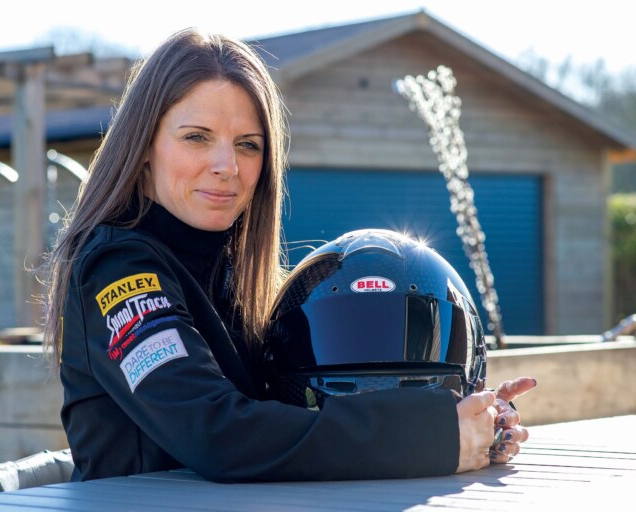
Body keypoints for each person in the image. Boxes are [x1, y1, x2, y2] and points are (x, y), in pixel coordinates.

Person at [43, 27, 535, 483]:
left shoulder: (231, 272)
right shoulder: (116, 269)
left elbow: (296, 413)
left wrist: (468, 417)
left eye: (248, 145)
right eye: (196, 137)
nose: (227, 165)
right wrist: (429, 437)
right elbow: (215, 433)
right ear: (144, 144)